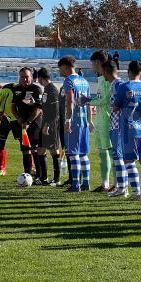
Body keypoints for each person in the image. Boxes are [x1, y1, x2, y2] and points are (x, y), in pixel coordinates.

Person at [114, 61, 141, 200]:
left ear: (128, 71)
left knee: (129, 161)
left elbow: (116, 107)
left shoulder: (124, 87)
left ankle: (137, 193)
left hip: (129, 129)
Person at [59, 56, 92, 192]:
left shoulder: (69, 81)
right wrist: (90, 121)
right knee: (83, 154)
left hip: (74, 122)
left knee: (73, 153)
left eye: (60, 68)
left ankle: (75, 184)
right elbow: (88, 102)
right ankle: (86, 183)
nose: (60, 71)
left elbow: (70, 101)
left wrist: (68, 120)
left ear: (66, 67)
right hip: (84, 121)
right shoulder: (84, 81)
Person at [85, 51, 113, 192]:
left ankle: (117, 184)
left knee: (111, 153)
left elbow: (104, 100)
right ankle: (105, 184)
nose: (92, 66)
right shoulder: (101, 79)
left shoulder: (107, 79)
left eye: (92, 63)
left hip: (108, 120)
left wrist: (88, 101)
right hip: (101, 120)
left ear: (97, 62)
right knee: (103, 153)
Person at [12, 67, 44, 180]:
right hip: (22, 124)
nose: (25, 79)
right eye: (22, 77)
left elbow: (38, 109)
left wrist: (29, 121)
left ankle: (39, 175)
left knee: (35, 149)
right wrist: (19, 118)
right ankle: (27, 174)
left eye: (27, 76)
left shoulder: (37, 89)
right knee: (25, 149)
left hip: (35, 124)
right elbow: (13, 107)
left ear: (31, 77)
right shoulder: (16, 89)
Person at [101, 60, 128, 197]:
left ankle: (123, 189)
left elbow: (124, 104)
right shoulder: (114, 85)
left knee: (119, 156)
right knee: (117, 156)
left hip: (119, 125)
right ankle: (121, 187)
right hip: (114, 124)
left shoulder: (119, 85)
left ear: (106, 71)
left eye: (103, 72)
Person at [36, 68, 62, 186]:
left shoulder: (52, 90)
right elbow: (45, 106)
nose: (38, 81)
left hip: (51, 125)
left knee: (54, 150)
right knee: (40, 150)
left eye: (38, 79)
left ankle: (57, 179)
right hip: (44, 124)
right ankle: (43, 178)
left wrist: (47, 125)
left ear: (41, 78)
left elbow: (56, 111)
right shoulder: (46, 89)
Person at [0, 81, 19, 177]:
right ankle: (1, 168)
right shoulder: (7, 88)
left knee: (26, 146)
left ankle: (31, 168)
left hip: (19, 121)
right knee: (0, 144)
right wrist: (0, 112)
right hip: (5, 120)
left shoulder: (27, 90)